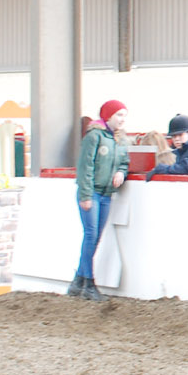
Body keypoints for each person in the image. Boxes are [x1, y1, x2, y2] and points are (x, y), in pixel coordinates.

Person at [72, 101, 129, 300]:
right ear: (108, 116)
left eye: (124, 116)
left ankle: (79, 281)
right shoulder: (94, 136)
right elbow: (85, 166)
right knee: (91, 235)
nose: (122, 120)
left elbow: (124, 162)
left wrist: (121, 172)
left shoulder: (120, 140)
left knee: (94, 237)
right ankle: (88, 282)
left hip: (106, 194)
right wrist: (86, 195)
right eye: (119, 115)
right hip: (93, 192)